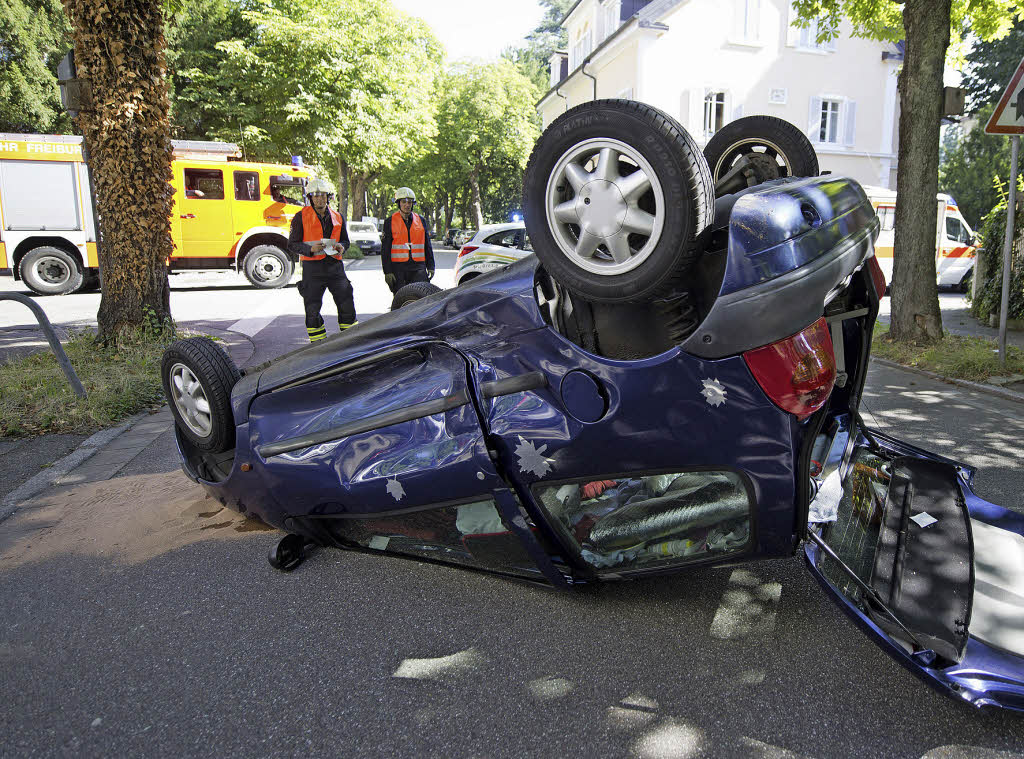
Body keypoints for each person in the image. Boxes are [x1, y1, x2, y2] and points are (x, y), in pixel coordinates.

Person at [288, 177, 357, 342]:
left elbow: (345, 241)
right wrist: (310, 249)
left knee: (347, 303)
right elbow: (292, 244)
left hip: (335, 267)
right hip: (313, 269)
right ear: (310, 197)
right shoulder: (300, 217)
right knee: (312, 310)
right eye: (316, 195)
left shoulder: (338, 217)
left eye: (323, 195)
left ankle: (351, 341)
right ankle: (318, 345)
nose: (320, 198)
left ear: (329, 197)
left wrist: (342, 246)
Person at [381, 186, 434, 293]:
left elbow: (427, 245)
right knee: (401, 299)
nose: (407, 205)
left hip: (418, 268)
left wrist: (431, 265)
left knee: (422, 297)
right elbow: (385, 249)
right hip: (398, 269)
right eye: (404, 202)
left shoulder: (421, 220)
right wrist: (387, 271)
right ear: (398, 203)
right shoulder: (390, 221)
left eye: (410, 202)